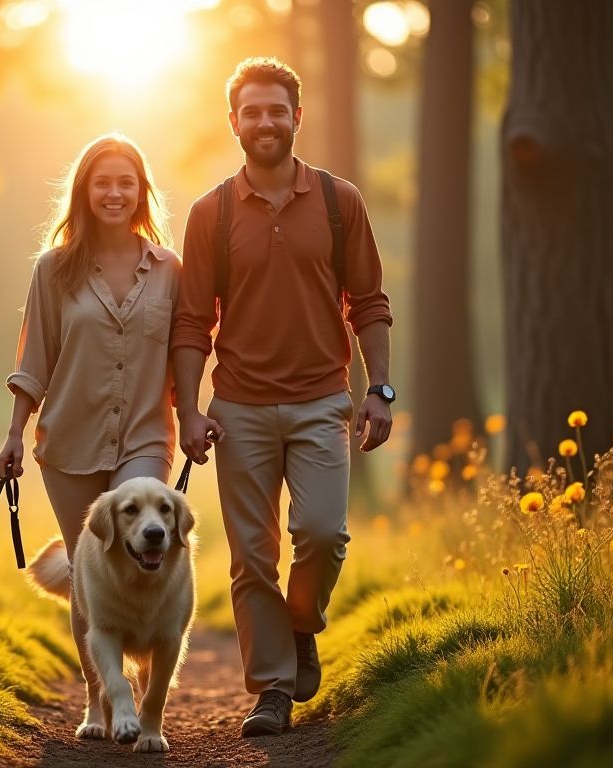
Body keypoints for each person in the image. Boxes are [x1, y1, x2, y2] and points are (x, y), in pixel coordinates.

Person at [171, 57, 394, 738]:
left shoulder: (337, 201)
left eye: (277, 111)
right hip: (237, 407)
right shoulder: (211, 213)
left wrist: (378, 390)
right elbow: (190, 322)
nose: (265, 122)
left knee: (324, 534)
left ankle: (302, 626)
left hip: (324, 400)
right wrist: (189, 409)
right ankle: (270, 688)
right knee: (251, 554)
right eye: (252, 111)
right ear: (234, 122)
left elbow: (371, 303)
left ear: (298, 117)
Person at [0, 133, 180, 739]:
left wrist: (199, 415)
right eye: (103, 182)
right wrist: (15, 434)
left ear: (141, 192)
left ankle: (146, 691)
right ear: (84, 191)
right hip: (68, 440)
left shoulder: (169, 269)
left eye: (126, 182)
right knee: (85, 574)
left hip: (146, 437)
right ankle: (97, 701)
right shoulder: (54, 270)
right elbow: (34, 361)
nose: (115, 192)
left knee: (145, 533)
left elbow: (186, 351)